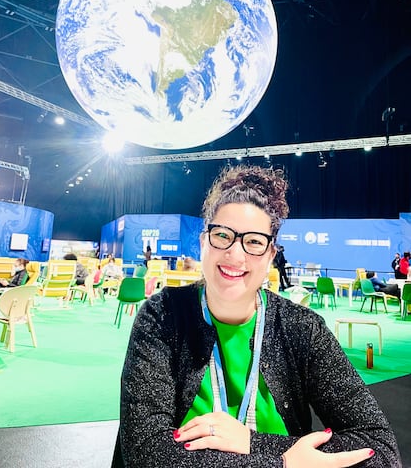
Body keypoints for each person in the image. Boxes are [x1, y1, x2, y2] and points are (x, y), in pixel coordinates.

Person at [113, 165, 401, 468]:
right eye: (222, 235)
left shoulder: (301, 329)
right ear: (202, 243)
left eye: (253, 241)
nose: (235, 255)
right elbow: (146, 453)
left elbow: (379, 449)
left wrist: (250, 441)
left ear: (270, 255)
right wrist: (283, 463)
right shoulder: (163, 315)